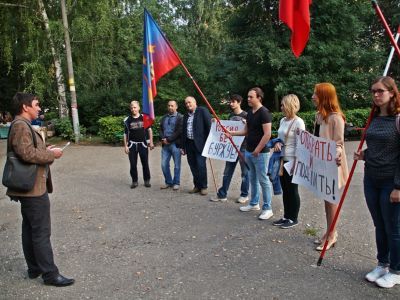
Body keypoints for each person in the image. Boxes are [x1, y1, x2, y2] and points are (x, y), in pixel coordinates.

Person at [5, 92, 74, 287]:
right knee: (41, 231)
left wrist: (45, 148)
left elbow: (28, 149)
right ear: (25, 107)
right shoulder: (20, 125)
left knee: (30, 228)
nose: (39, 108)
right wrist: (50, 155)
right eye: (36, 104)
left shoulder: (22, 124)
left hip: (30, 187)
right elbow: (26, 153)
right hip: (33, 189)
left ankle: (34, 268)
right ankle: (50, 274)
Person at [354, 76, 400, 288]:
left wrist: (399, 186)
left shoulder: (398, 119)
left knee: (393, 227)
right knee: (379, 224)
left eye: (380, 91)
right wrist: (363, 154)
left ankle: (396, 270)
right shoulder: (373, 118)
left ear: (392, 92)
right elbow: (376, 146)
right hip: (370, 178)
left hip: (391, 181)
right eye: (373, 91)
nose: (376, 95)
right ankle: (383, 263)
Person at [312, 83, 349, 251]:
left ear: (325, 97)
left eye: (316, 94)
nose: (313, 97)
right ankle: (329, 231)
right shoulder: (319, 116)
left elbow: (339, 143)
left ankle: (332, 234)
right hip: (322, 163)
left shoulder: (336, 117)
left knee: (331, 200)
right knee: (326, 200)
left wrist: (336, 154)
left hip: (332, 165)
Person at [228, 87, 273, 220]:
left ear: (259, 98)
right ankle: (254, 203)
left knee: (263, 180)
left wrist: (257, 150)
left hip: (260, 153)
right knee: (252, 178)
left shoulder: (264, 113)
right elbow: (246, 131)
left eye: (251, 97)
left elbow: (267, 134)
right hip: (249, 151)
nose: (248, 99)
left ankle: (267, 208)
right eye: (247, 97)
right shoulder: (250, 113)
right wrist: (231, 133)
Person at [272, 94, 305, 228]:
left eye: (283, 105)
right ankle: (286, 216)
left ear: (290, 105)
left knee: (292, 190)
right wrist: (277, 143)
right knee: (285, 189)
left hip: (292, 161)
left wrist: (297, 163)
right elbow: (280, 137)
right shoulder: (282, 120)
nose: (281, 107)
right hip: (281, 159)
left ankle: (293, 218)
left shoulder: (299, 122)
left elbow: (301, 144)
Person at [210, 94, 249, 203]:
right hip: (231, 148)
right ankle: (222, 194)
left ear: (239, 102)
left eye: (233, 102)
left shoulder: (246, 115)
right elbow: (225, 129)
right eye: (230, 102)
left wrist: (247, 124)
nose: (231, 104)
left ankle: (244, 194)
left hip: (243, 148)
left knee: (245, 173)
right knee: (227, 172)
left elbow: (250, 132)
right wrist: (216, 123)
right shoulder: (230, 116)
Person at [181, 96, 212, 195]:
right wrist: (182, 146)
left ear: (195, 102)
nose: (188, 105)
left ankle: (203, 186)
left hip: (201, 144)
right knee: (193, 166)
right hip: (189, 144)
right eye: (186, 103)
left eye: (189, 102)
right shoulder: (186, 115)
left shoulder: (202, 111)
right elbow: (183, 131)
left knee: (201, 165)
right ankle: (197, 186)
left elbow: (209, 127)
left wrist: (209, 144)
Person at [124, 100, 154, 188]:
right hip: (132, 145)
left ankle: (147, 180)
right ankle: (134, 181)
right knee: (133, 164)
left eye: (135, 107)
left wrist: (151, 142)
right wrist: (125, 146)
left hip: (143, 145)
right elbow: (125, 134)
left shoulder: (144, 118)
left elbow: (149, 130)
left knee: (145, 163)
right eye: (132, 108)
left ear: (139, 108)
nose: (133, 109)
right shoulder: (128, 120)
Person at [159, 100, 183, 190]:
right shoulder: (164, 117)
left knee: (177, 165)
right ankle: (168, 182)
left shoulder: (180, 117)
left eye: (172, 106)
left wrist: (169, 139)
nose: (170, 107)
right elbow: (160, 129)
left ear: (176, 107)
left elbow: (179, 131)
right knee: (164, 164)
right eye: (169, 105)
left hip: (175, 144)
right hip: (165, 145)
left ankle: (176, 182)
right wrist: (163, 139)